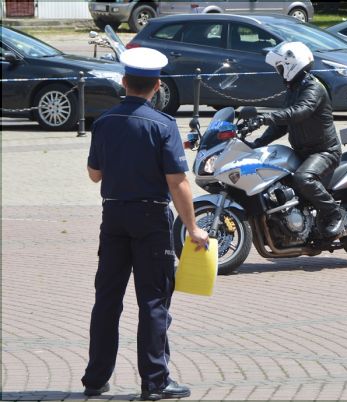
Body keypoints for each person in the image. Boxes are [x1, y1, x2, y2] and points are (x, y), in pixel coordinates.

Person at [81, 47, 209, 401]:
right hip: (151, 218)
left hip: (113, 215)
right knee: (153, 300)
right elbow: (177, 182)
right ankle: (154, 382)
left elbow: (94, 174)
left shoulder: (104, 122)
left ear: (124, 82)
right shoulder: (163, 125)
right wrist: (193, 228)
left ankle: (95, 378)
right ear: (156, 86)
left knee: (107, 299)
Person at [250, 41, 344, 238]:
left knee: (303, 178)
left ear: (292, 64)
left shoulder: (313, 87)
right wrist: (257, 144)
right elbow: (282, 125)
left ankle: (334, 214)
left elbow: (300, 111)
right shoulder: (294, 88)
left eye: (280, 67)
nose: (278, 72)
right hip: (302, 151)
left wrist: (267, 117)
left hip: (324, 152)